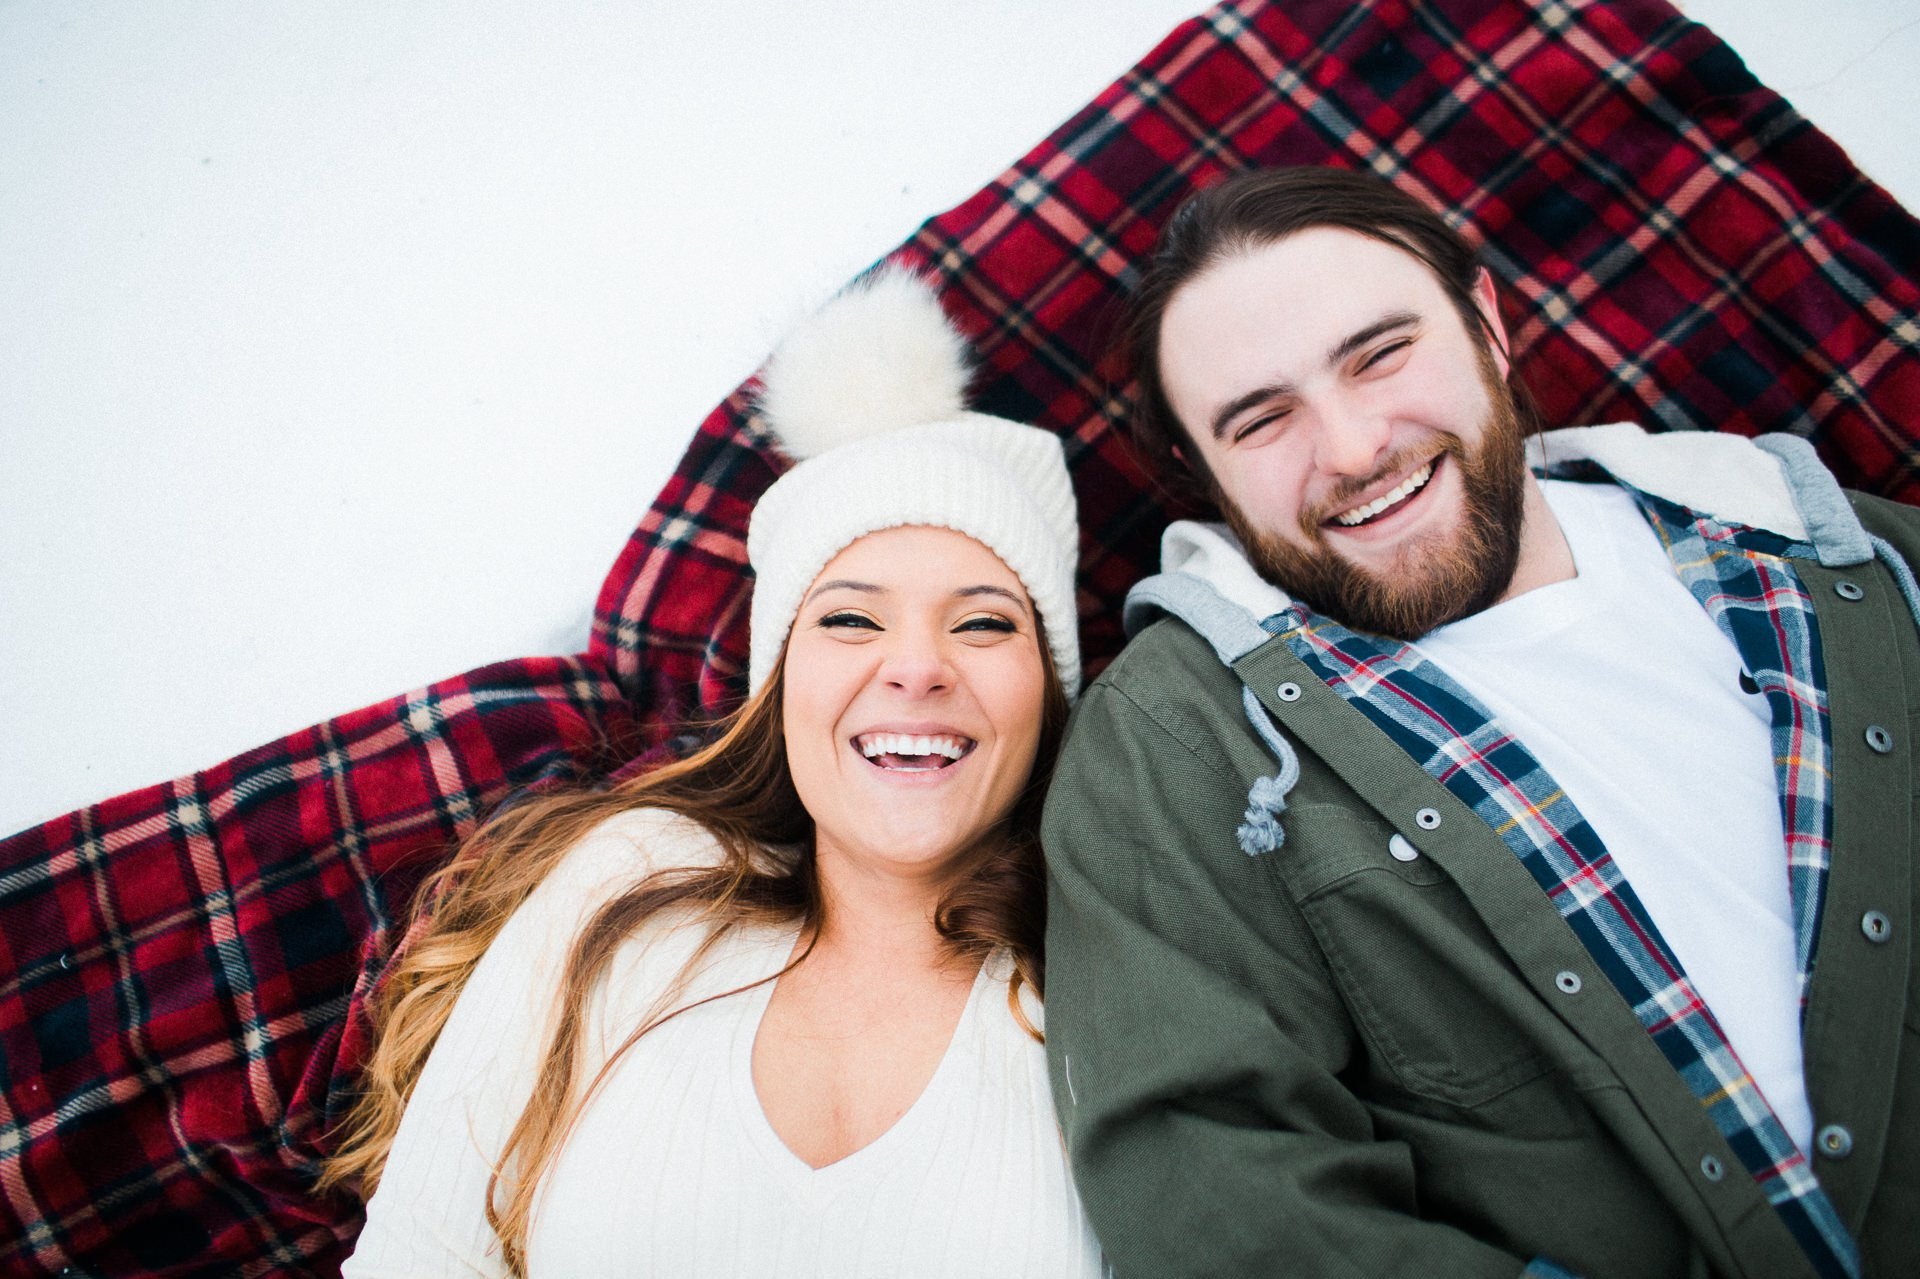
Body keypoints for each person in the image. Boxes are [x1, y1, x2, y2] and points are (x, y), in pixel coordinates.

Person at [1041, 166, 1919, 1278]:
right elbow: (1215, 1197)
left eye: (1381, 355)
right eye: (1262, 420)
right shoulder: (1176, 742)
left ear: (1489, 326)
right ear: (1199, 475)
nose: (1354, 448)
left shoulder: (1847, 562)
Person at [324, 267, 1102, 1277]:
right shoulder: (635, 882)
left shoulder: (1117, 982)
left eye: (986, 621)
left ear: (1047, 694)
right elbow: (424, 1256)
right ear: (780, 686)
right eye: (851, 618)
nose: (917, 664)